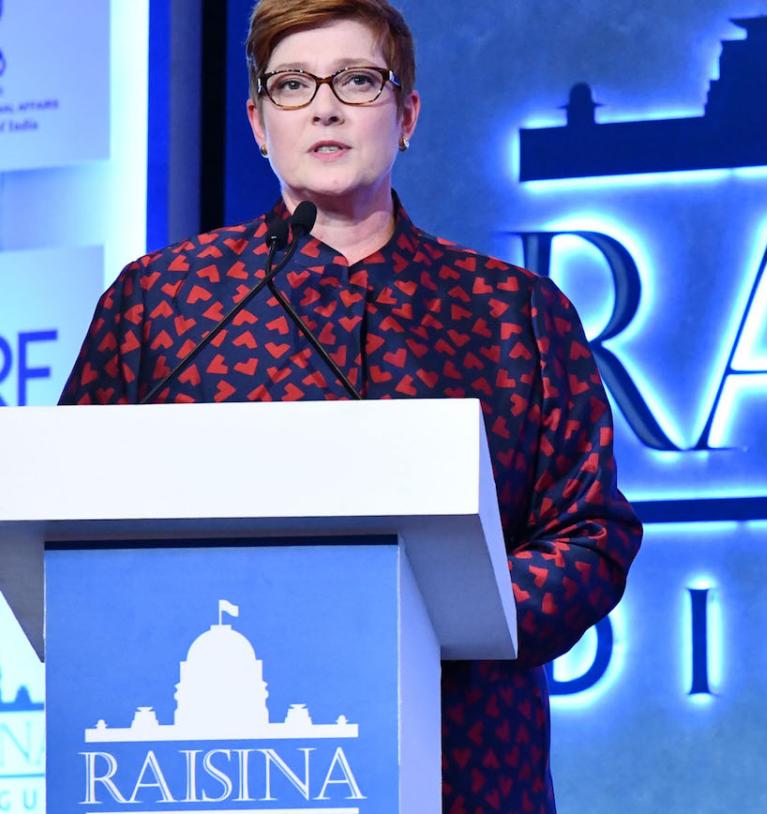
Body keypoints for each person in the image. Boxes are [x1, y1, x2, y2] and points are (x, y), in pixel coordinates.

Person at [57, 1, 642, 811]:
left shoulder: (515, 313)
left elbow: (590, 535)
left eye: (357, 80)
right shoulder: (163, 303)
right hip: (214, 769)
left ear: (406, 116)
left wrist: (448, 611)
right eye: (292, 84)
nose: (325, 106)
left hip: (460, 763)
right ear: (258, 123)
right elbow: (71, 513)